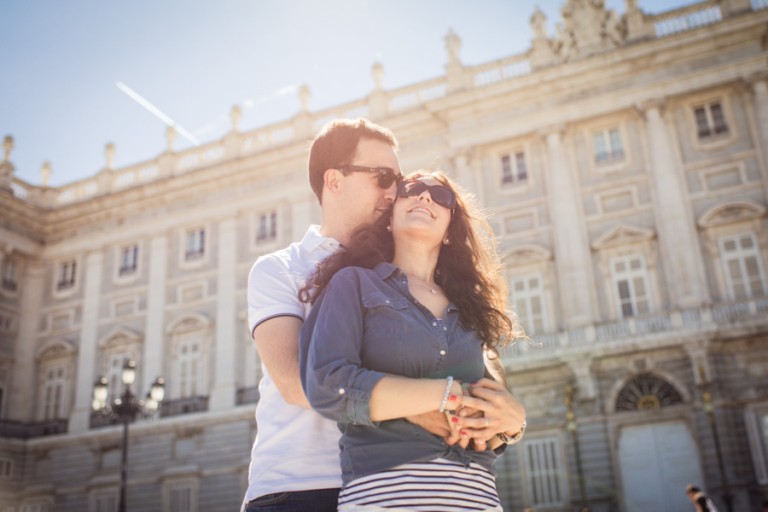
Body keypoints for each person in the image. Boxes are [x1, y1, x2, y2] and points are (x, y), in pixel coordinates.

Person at [243, 119, 524, 512]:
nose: (394, 191)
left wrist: (511, 422)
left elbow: (481, 390)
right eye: (382, 177)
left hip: (392, 484)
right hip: (302, 485)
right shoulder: (280, 267)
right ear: (334, 180)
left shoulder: (403, 279)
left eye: (398, 180)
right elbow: (297, 383)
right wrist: (423, 406)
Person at [299, 171, 526, 511]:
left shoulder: (471, 310)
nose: (425, 197)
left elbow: (488, 417)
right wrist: (442, 396)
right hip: (385, 496)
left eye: (440, 196)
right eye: (413, 189)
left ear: (451, 229)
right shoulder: (354, 284)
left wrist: (514, 423)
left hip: (476, 497)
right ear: (389, 216)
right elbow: (327, 385)